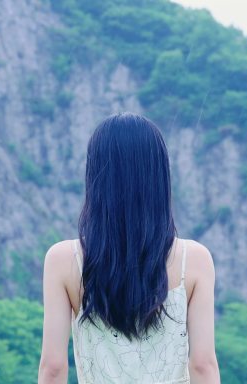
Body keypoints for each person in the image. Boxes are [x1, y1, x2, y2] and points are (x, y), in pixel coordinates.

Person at [38, 112, 220, 383]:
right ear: (159, 177)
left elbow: (53, 367)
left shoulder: (63, 260)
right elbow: (203, 365)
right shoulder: (193, 260)